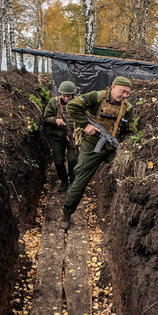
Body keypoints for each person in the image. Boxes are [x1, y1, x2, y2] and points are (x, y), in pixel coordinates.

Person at [60, 76, 136, 230]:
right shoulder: (96, 97)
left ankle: (122, 213)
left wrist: (126, 147)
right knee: (80, 181)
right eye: (123, 91)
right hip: (92, 146)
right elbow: (72, 106)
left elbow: (131, 131)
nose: (125, 96)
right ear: (113, 87)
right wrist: (86, 125)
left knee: (128, 172)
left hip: (113, 149)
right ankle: (66, 214)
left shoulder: (127, 108)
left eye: (128, 93)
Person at [43, 81, 79, 192]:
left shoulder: (79, 103)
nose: (67, 98)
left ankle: (73, 181)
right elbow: (46, 118)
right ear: (60, 94)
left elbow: (84, 121)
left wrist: (76, 133)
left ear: (73, 94)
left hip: (73, 137)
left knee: (73, 160)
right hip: (58, 137)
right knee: (58, 162)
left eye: (69, 96)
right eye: (64, 96)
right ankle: (64, 181)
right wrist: (56, 120)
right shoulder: (54, 102)